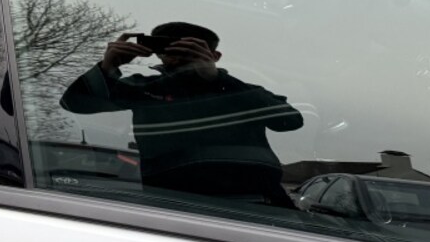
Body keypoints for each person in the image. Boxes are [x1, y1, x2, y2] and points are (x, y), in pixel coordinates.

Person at [61, 21, 302, 206]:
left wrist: (217, 80)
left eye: (191, 49)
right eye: (169, 47)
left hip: (255, 201)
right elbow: (75, 104)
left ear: (215, 56)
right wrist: (108, 66)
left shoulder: (243, 91)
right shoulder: (144, 88)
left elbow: (289, 121)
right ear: (157, 51)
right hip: (172, 202)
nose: (178, 55)